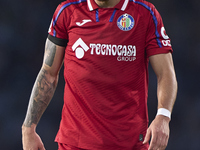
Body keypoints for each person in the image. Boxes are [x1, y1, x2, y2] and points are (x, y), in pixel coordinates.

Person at [22, 0, 178, 150]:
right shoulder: (68, 12)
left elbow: (166, 73)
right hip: (75, 143)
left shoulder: (145, 14)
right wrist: (28, 128)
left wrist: (163, 117)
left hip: (129, 143)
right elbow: (48, 73)